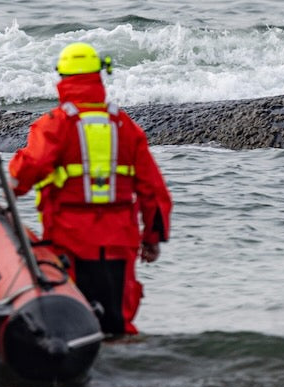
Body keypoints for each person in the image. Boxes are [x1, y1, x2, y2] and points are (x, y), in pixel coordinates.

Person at [9, 43, 172, 336]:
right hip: (120, 242)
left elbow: (27, 170)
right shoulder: (125, 126)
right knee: (118, 324)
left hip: (68, 241)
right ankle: (122, 378)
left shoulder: (54, 125)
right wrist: (153, 238)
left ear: (63, 79)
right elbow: (154, 189)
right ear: (98, 76)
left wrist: (10, 190)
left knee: (74, 322)